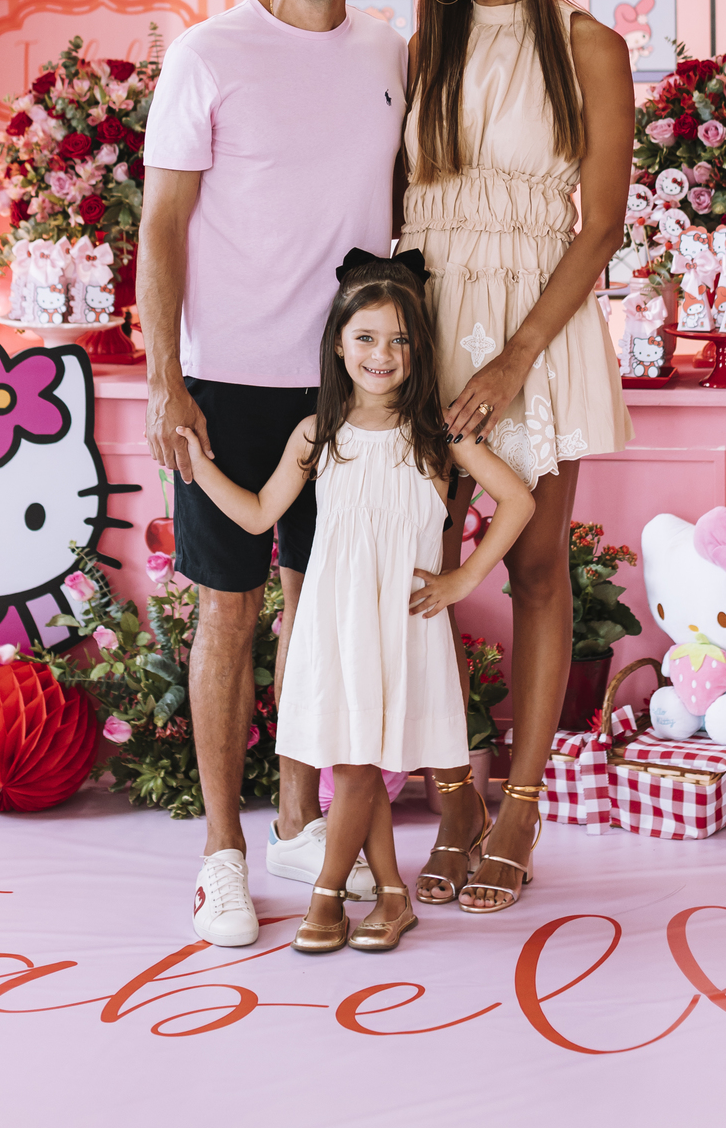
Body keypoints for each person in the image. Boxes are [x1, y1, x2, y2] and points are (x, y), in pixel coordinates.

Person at [138, 0, 407, 948]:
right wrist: (165, 380)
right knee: (230, 610)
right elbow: (161, 225)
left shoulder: (386, 51)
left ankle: (298, 826)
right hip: (228, 381)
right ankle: (221, 857)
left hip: (349, 387)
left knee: (318, 608)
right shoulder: (208, 54)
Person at [397, 0, 634, 914]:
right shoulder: (425, 50)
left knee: (536, 570)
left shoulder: (588, 46)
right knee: (420, 567)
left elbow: (602, 226)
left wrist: (515, 356)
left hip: (536, 327)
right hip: (431, 320)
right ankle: (454, 801)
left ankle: (522, 806)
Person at [178, 255, 534, 954]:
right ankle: (390, 895)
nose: (383, 354)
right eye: (366, 337)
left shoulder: (438, 435)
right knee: (354, 762)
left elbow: (517, 500)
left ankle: (328, 897)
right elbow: (257, 515)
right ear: (338, 345)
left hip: (399, 627)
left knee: (359, 767)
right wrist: (198, 467)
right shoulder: (318, 435)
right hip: (337, 625)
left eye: (400, 340)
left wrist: (463, 579)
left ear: (419, 350)